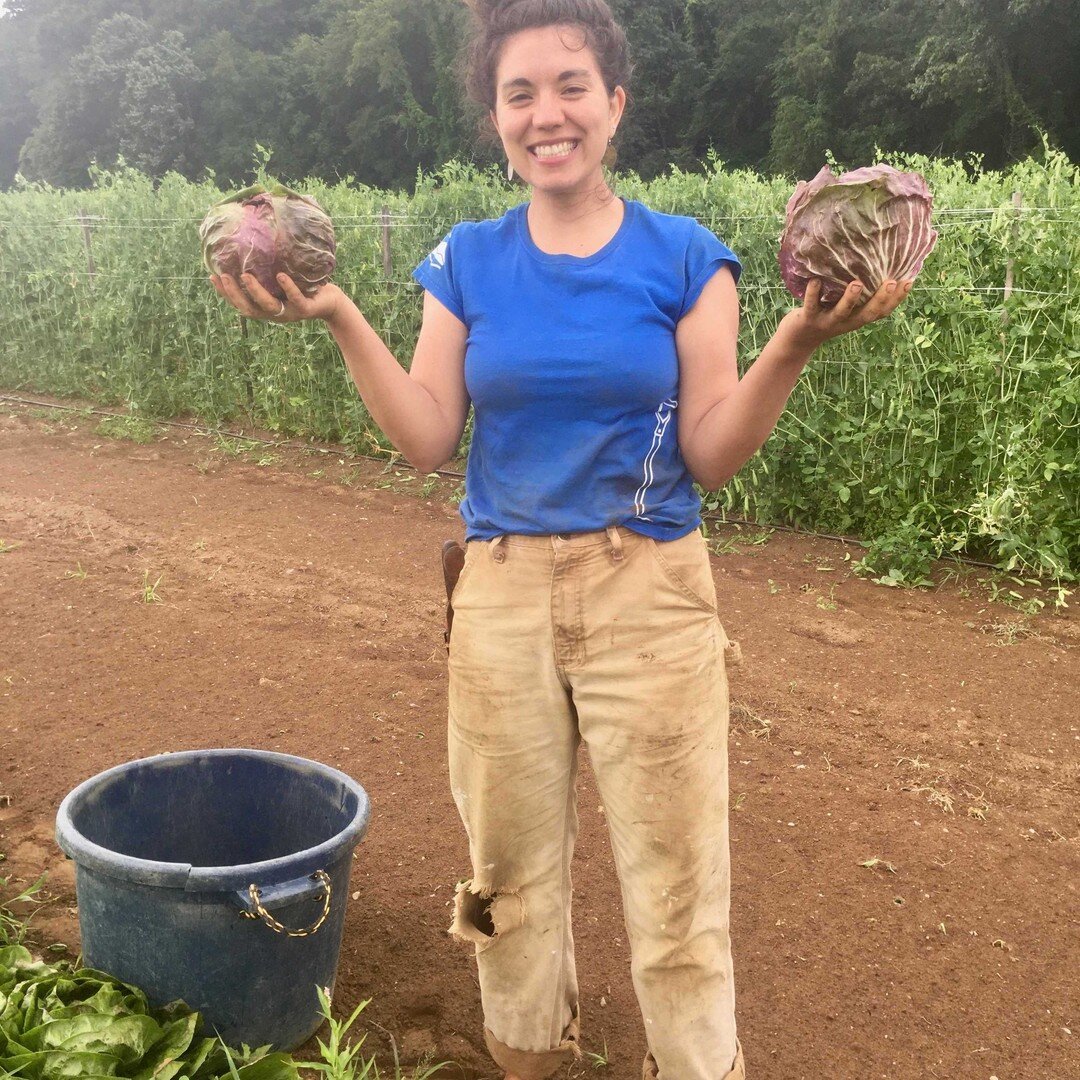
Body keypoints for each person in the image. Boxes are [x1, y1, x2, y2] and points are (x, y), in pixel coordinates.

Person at [210, 2, 913, 1076]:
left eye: (570, 86)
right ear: (495, 117)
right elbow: (428, 439)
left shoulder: (687, 258)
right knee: (509, 880)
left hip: (651, 590)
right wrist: (344, 317)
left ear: (615, 102)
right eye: (519, 94)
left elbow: (714, 453)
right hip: (498, 597)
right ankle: (531, 1057)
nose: (548, 114)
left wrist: (794, 344)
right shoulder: (467, 261)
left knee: (678, 888)